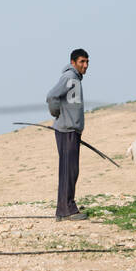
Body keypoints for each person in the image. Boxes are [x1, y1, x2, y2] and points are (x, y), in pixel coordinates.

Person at [45, 48, 89, 221]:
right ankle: (67, 210)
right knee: (69, 170)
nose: (85, 66)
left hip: (71, 130)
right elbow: (51, 96)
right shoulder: (70, 77)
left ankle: (64, 210)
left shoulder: (75, 79)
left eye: (87, 62)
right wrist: (56, 114)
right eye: (82, 62)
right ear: (73, 62)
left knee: (70, 170)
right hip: (67, 130)